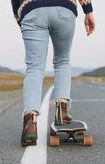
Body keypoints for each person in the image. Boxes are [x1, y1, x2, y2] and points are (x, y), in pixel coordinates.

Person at [10, 0, 95, 147]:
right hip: (64, 8)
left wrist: (21, 18)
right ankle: (62, 112)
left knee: (34, 67)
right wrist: (88, 10)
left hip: (31, 10)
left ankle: (30, 122)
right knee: (62, 61)